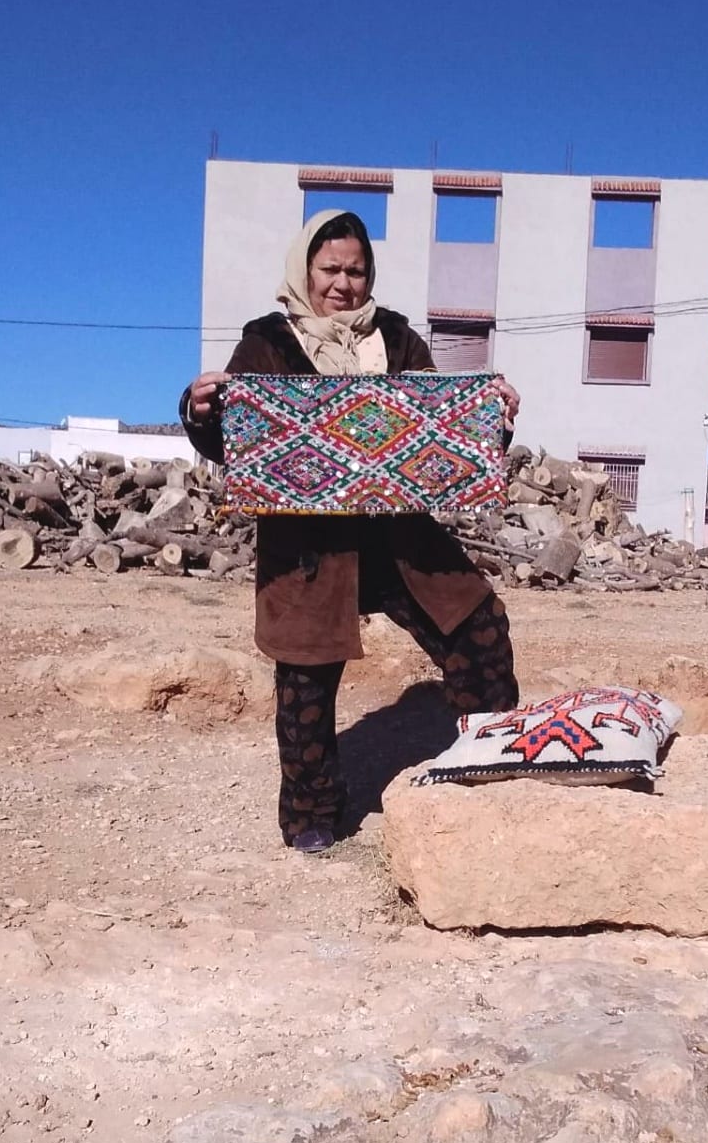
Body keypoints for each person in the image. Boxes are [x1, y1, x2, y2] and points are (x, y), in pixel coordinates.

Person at [181, 209, 520, 853]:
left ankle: (494, 769)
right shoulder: (267, 340)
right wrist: (199, 410)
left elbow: (440, 426)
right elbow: (234, 436)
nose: (344, 283)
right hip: (310, 547)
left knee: (478, 627)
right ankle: (312, 814)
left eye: (356, 270)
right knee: (305, 681)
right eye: (330, 268)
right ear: (304, 270)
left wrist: (489, 417)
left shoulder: (395, 337)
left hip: (399, 536)